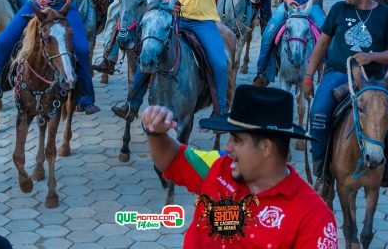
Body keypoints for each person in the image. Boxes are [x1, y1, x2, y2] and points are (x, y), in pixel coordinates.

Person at [142, 85, 337, 248]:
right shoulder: (220, 166)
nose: (227, 147)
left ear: (266, 147)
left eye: (237, 139)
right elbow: (171, 159)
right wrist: (156, 133)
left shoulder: (314, 218)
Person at [303, 0, 388, 197]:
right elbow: (322, 45)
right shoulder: (338, 9)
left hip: (376, 80)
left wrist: (373, 56)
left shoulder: (387, 14)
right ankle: (322, 174)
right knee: (318, 115)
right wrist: (308, 76)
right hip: (339, 73)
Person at [111, 0, 235, 121]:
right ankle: (132, 104)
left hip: (202, 21)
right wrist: (169, 1)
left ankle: (220, 110)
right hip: (173, 18)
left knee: (220, 63)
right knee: (148, 51)